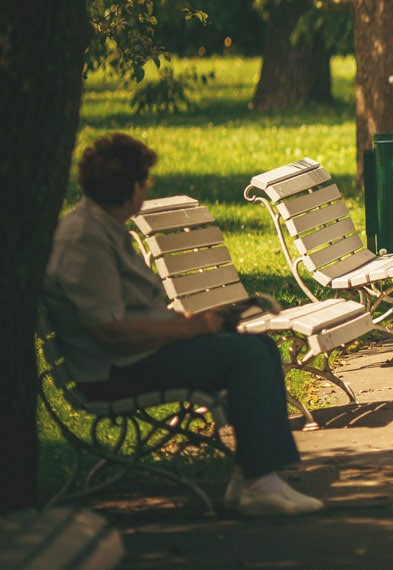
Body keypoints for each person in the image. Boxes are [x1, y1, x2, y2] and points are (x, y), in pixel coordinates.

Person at [42, 134, 324, 517]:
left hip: (140, 355)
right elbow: (109, 332)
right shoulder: (84, 237)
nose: (147, 189)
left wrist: (198, 324)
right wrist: (192, 329)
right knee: (245, 357)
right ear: (132, 188)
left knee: (257, 348)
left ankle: (257, 476)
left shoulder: (104, 227)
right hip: (115, 370)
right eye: (146, 181)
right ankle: (261, 484)